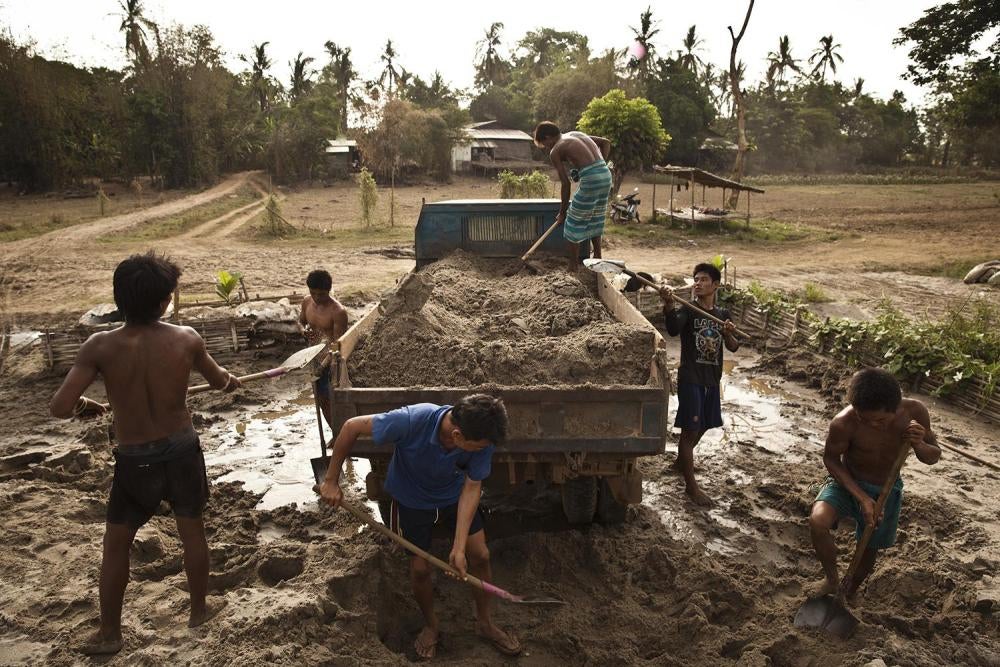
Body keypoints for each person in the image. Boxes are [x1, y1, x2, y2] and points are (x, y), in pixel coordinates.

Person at [50, 252, 240, 655]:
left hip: (135, 459)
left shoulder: (99, 345)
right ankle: (199, 611)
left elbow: (60, 406)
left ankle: (110, 634)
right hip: (182, 451)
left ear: (120, 300)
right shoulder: (187, 338)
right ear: (164, 300)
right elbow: (221, 381)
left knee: (116, 544)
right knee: (192, 531)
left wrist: (90, 406)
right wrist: (229, 382)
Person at [318, 394, 521, 660]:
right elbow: (351, 427)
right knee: (420, 570)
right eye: (478, 446)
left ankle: (484, 623)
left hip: (452, 496)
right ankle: (431, 626)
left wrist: (458, 547)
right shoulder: (412, 420)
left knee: (480, 555)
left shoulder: (482, 440)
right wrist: (331, 480)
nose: (483, 450)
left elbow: (472, 487)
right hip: (411, 500)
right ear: (458, 436)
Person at [808, 368, 940, 600]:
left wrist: (919, 444)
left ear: (895, 407)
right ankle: (831, 579)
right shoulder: (843, 423)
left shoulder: (915, 412)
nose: (872, 425)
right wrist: (861, 498)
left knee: (868, 545)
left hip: (885, 490)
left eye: (880, 420)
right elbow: (830, 459)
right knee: (818, 521)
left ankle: (849, 591)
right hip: (847, 483)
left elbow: (933, 456)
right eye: (863, 418)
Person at [658, 263, 739, 506]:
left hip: (712, 379)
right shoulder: (689, 309)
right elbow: (672, 329)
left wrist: (728, 333)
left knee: (705, 425)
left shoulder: (723, 315)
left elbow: (734, 347)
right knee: (690, 431)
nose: (698, 283)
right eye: (696, 279)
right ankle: (691, 488)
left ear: (715, 285)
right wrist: (669, 304)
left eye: (704, 279)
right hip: (691, 377)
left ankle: (680, 462)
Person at [532, 121, 613, 272]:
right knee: (596, 217)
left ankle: (573, 267)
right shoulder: (576, 134)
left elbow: (566, 183)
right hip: (605, 175)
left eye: (546, 144)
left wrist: (563, 213)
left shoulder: (556, 150)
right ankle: (597, 258)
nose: (548, 148)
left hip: (592, 180)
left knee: (572, 223)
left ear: (548, 137)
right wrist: (599, 165)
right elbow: (605, 142)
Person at [298, 269, 348, 427]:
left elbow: (337, 344)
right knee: (321, 399)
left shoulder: (338, 311)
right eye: (313, 293)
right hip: (313, 357)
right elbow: (300, 321)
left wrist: (323, 366)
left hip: (332, 361)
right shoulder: (306, 302)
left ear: (328, 291)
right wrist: (303, 330)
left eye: (321, 294)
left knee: (333, 397)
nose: (316, 298)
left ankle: (341, 433)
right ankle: (335, 432)